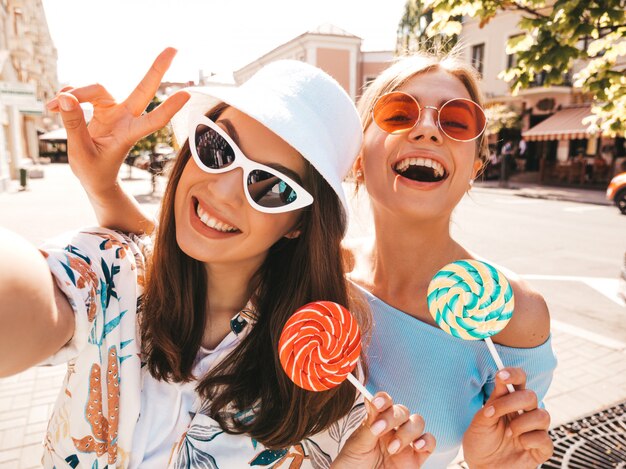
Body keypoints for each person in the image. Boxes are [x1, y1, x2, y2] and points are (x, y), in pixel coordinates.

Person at [0, 49, 435, 468]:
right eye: (217, 147)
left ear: (299, 223)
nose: (222, 191)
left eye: (272, 186)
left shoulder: (322, 364)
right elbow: (27, 295)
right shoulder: (112, 270)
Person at [348, 51, 557, 468]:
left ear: (474, 168)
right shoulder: (315, 272)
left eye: (457, 121)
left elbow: (510, 449)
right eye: (398, 113)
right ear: (356, 158)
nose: (426, 129)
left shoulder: (517, 314)